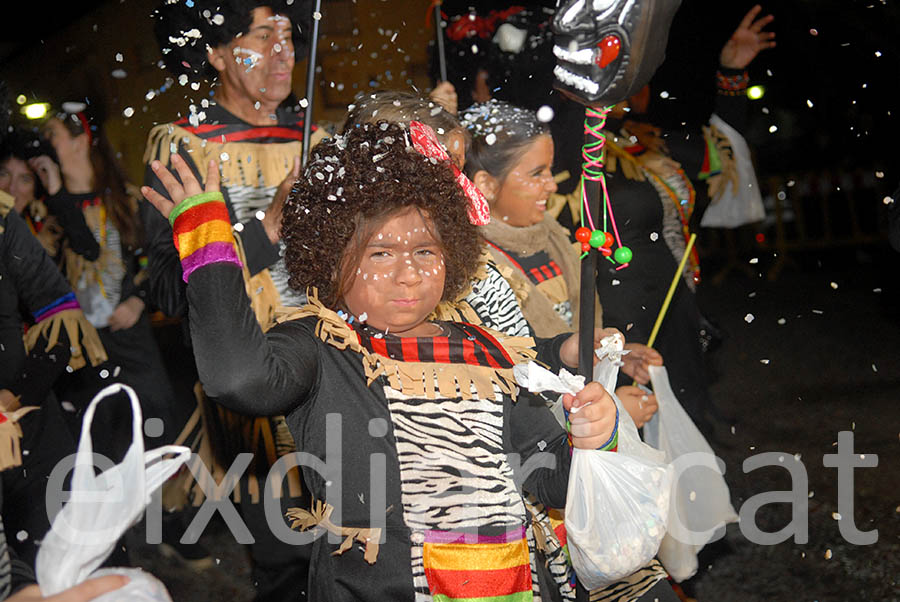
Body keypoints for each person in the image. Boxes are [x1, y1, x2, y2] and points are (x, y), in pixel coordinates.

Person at [142, 120, 618, 601]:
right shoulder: (324, 345)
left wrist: (594, 437)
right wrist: (209, 247)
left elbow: (554, 481)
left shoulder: (484, 349)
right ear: (331, 257)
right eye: (381, 252)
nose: (408, 274)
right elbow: (238, 379)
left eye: (425, 250)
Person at [143, 0, 325, 593]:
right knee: (287, 567)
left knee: (355, 552)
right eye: (261, 34)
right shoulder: (183, 145)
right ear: (218, 53)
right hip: (251, 394)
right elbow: (170, 289)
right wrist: (266, 227)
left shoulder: (317, 137)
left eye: (288, 36)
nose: (282, 50)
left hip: (334, 370)